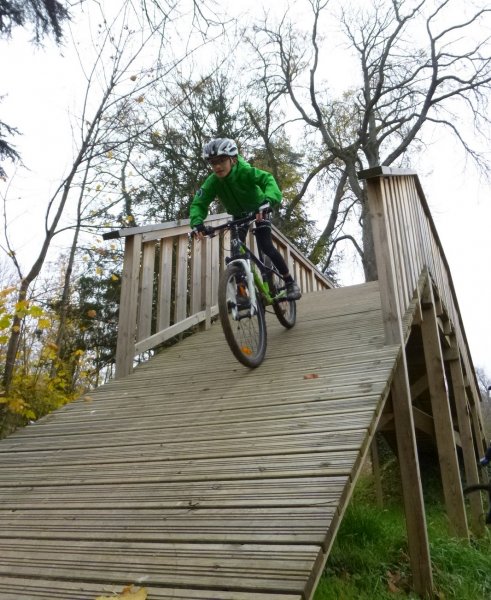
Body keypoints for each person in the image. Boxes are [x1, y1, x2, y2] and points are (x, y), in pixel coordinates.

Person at [189, 138, 301, 300]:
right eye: (213, 163)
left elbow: (268, 180)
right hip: (239, 215)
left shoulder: (245, 171)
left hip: (259, 209)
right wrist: (197, 223)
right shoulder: (213, 181)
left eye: (221, 161)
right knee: (236, 252)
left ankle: (290, 283)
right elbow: (199, 202)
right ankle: (242, 292)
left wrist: (267, 201)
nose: (217, 166)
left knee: (266, 246)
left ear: (233, 159)